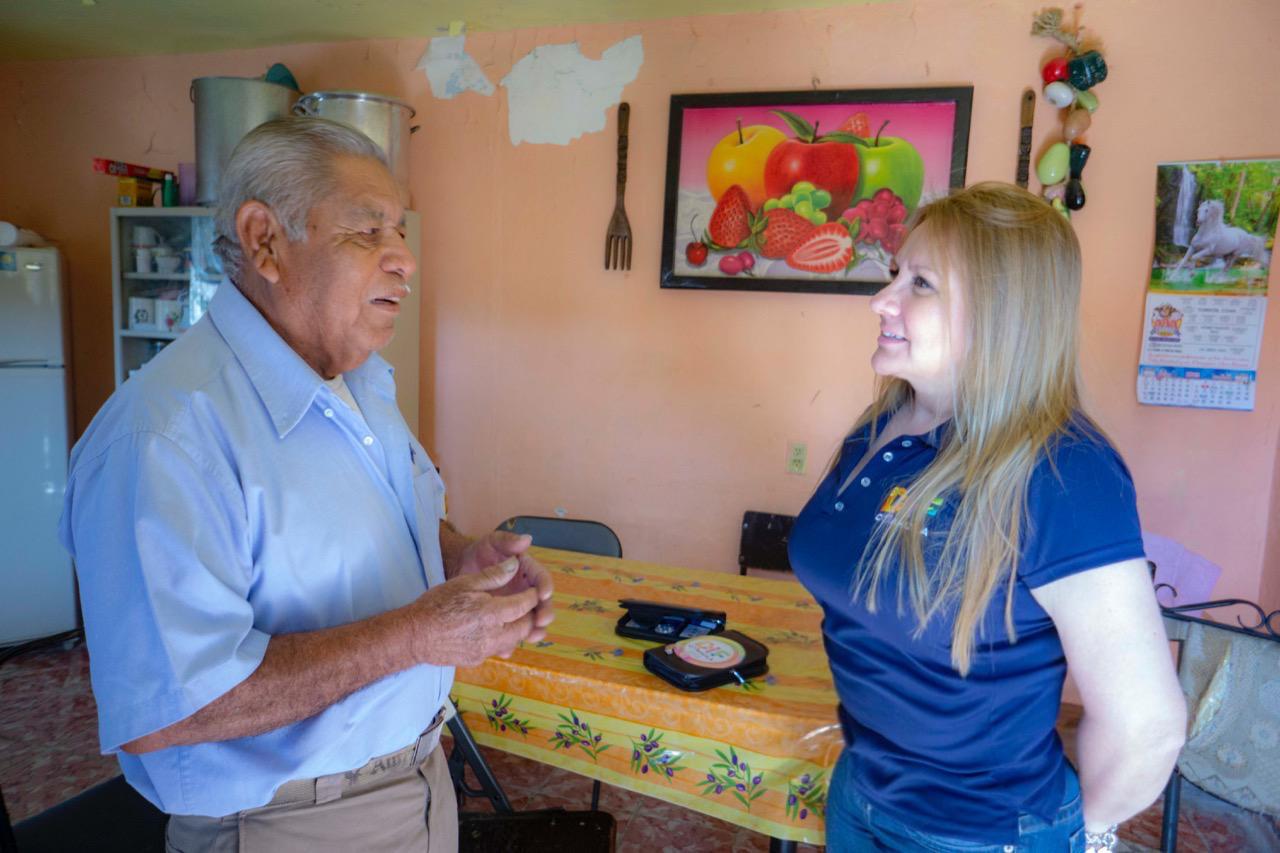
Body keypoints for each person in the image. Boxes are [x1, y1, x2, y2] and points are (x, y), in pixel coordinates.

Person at [59, 116, 554, 852]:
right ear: (264, 240)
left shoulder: (360, 384)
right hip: (287, 825)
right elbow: (171, 708)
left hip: (418, 784)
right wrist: (418, 635)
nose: (405, 259)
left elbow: (372, 523)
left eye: (399, 231)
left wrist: (455, 556)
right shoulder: (165, 434)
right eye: (368, 231)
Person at [788, 183, 1186, 852]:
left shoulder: (1063, 470)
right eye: (896, 274)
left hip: (984, 833)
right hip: (862, 791)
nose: (881, 300)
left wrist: (1074, 834)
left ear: (1004, 313)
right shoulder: (881, 427)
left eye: (921, 284)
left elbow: (1147, 725)